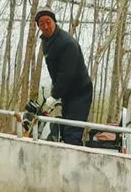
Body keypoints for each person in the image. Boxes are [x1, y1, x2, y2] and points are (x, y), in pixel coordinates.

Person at [34, 8, 93, 146]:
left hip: (80, 92)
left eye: (48, 22)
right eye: (41, 24)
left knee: (72, 134)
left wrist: (54, 96)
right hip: (67, 92)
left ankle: (76, 165)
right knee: (64, 130)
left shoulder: (67, 43)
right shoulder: (46, 41)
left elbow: (66, 74)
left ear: (54, 21)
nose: (45, 27)